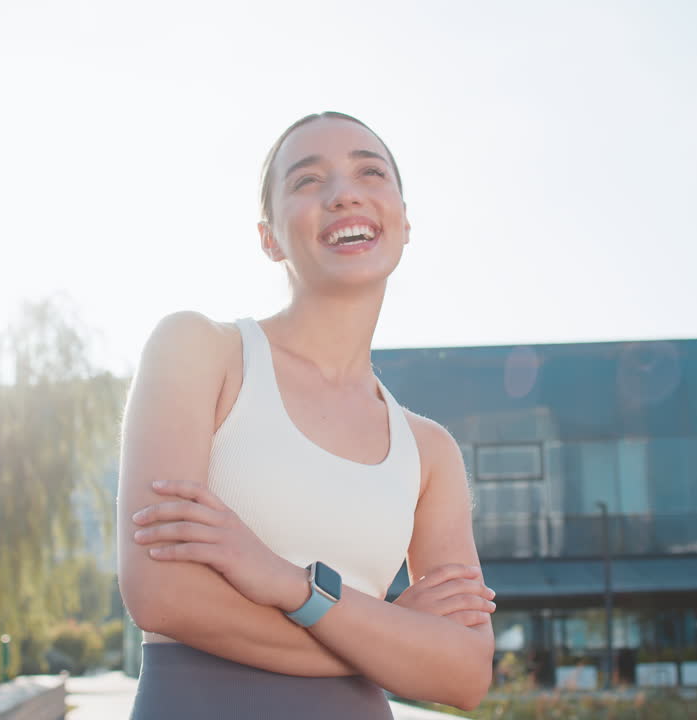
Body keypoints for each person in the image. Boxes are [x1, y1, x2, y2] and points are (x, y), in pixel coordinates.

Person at [117, 111, 496, 719]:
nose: (344, 193)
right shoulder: (199, 350)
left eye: (369, 172)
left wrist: (294, 585)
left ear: (403, 218)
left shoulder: (430, 452)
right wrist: (387, 638)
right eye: (307, 180)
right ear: (269, 237)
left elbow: (465, 673)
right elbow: (162, 595)